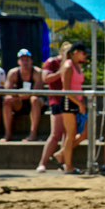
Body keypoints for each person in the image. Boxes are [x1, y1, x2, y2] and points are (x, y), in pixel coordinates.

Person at [35, 42, 71, 173]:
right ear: (62, 52)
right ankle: (42, 163)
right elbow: (46, 79)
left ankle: (62, 163)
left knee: (67, 134)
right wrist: (61, 72)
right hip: (56, 100)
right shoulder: (52, 62)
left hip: (68, 100)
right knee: (56, 134)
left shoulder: (71, 64)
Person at [56, 43, 87, 174]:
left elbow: (77, 87)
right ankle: (68, 165)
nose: (86, 56)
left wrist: (82, 102)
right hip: (69, 101)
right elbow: (67, 90)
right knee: (70, 134)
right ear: (75, 52)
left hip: (77, 101)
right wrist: (79, 104)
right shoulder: (68, 66)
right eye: (84, 53)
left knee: (80, 133)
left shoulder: (77, 65)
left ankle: (61, 154)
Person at [1, 49, 44, 142]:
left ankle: (33, 133)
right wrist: (19, 95)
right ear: (18, 61)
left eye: (27, 59)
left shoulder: (37, 72)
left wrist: (20, 95)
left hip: (35, 103)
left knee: (34, 99)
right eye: (22, 59)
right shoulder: (13, 73)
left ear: (31, 61)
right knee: (7, 101)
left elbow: (36, 92)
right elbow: (7, 91)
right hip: (19, 103)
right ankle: (7, 134)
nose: (25, 62)